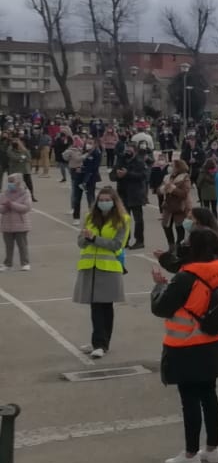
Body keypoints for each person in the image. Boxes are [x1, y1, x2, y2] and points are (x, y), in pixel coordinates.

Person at [149, 225, 218, 463]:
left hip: (188, 343)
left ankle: (190, 453)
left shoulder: (187, 277)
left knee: (190, 399)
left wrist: (158, 286)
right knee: (209, 394)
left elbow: (161, 308)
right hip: (216, 341)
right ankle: (213, 448)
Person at [75, 187, 131, 358]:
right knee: (96, 305)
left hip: (109, 267)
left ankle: (101, 344)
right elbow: (80, 242)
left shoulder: (123, 219)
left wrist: (94, 239)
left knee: (104, 306)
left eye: (107, 200)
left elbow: (117, 244)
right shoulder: (89, 217)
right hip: (89, 266)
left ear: (114, 201)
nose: (104, 203)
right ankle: (98, 342)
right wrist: (85, 238)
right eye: (101, 200)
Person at [112, 145, 150, 249]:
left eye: (130, 149)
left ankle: (139, 241)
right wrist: (117, 175)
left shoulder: (139, 161)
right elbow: (112, 175)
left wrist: (127, 174)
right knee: (124, 219)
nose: (127, 151)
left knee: (138, 220)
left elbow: (143, 176)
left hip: (135, 194)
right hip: (122, 194)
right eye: (126, 149)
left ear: (135, 151)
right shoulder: (121, 160)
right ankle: (125, 240)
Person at [159, 159, 193, 250]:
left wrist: (172, 189)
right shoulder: (167, 177)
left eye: (173, 166)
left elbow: (184, 193)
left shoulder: (185, 177)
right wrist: (163, 189)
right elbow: (159, 190)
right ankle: (171, 246)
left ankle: (179, 247)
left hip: (180, 206)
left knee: (180, 228)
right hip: (168, 206)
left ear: (178, 167)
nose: (171, 167)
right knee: (166, 226)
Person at [1, 172, 31, 270]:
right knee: (8, 246)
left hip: (21, 224)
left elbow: (26, 207)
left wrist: (12, 205)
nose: (10, 184)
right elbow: (1, 207)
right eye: (9, 182)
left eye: (12, 182)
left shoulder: (25, 193)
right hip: (7, 223)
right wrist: (5, 206)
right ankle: (7, 263)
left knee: (22, 245)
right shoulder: (5, 193)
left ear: (18, 182)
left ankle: (25, 263)